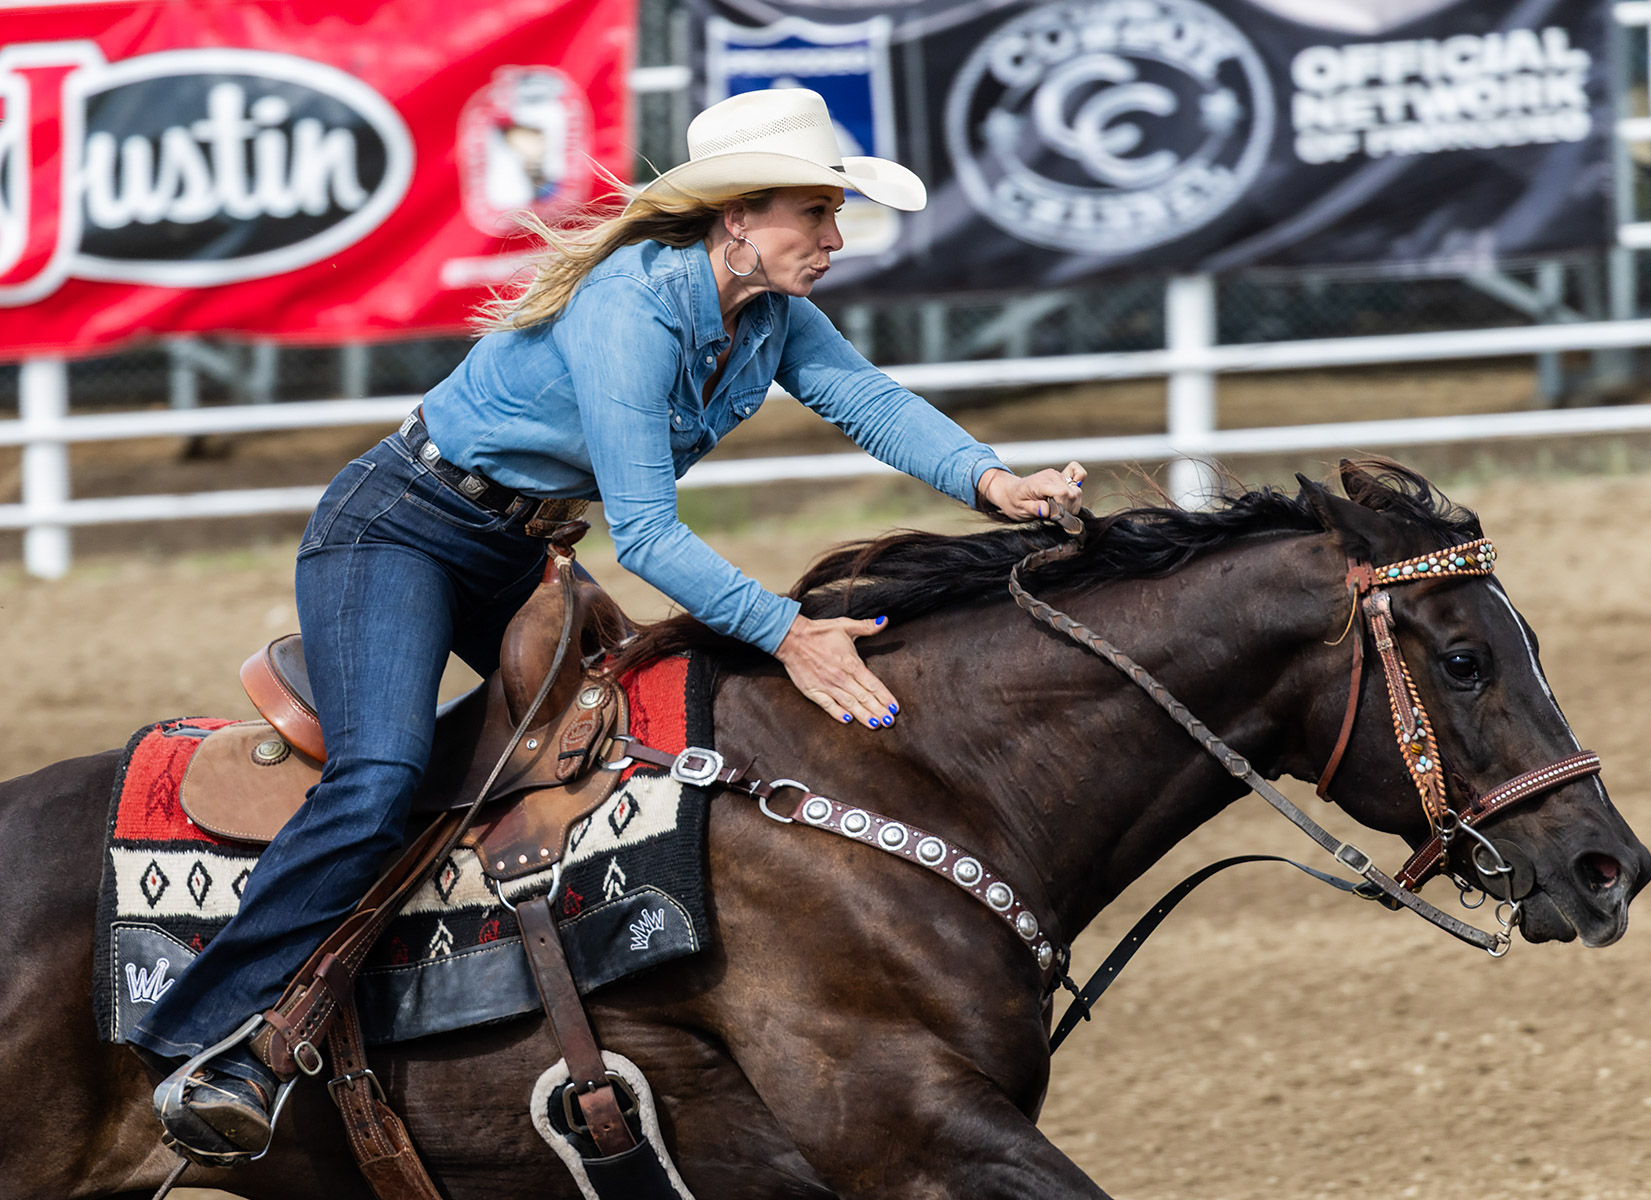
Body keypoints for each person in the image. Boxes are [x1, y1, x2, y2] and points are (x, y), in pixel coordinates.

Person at [132, 86, 1085, 1156]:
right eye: (813, 213)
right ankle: (203, 1035)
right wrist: (786, 630)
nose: (832, 236)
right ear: (736, 219)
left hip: (516, 548)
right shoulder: (628, 307)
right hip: (398, 531)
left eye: (833, 213)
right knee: (381, 775)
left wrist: (993, 481)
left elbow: (869, 401)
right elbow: (645, 533)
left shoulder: (766, 317)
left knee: (628, 745)